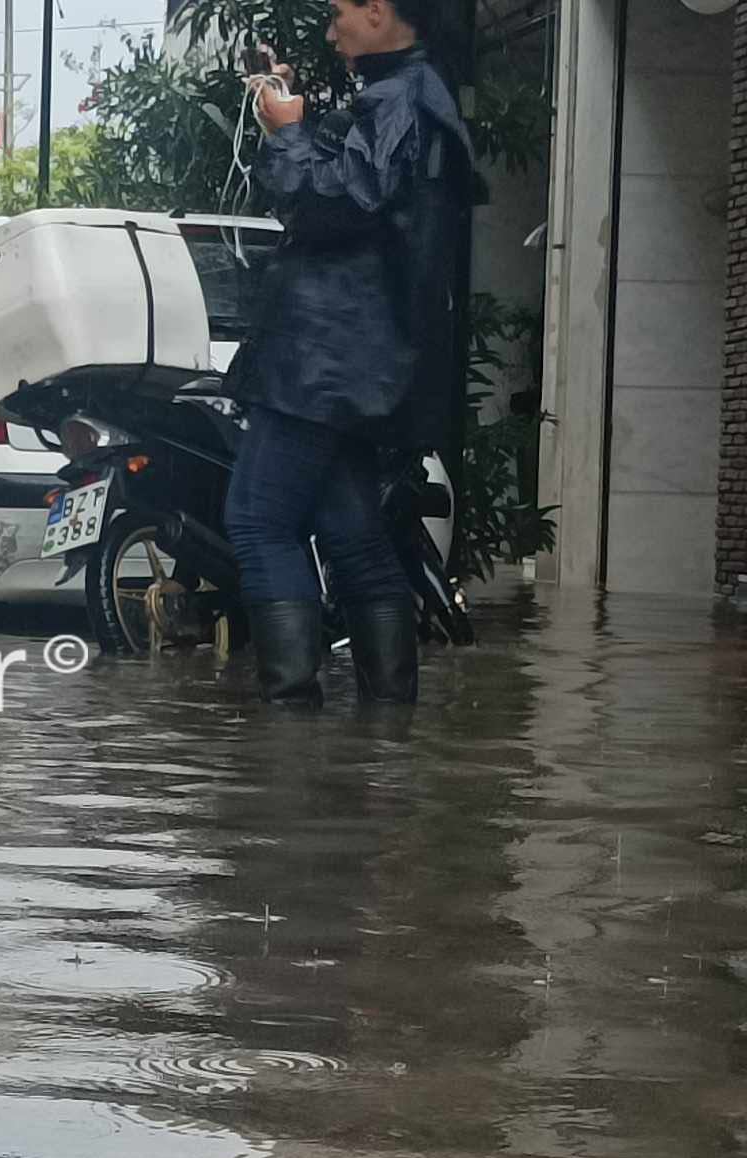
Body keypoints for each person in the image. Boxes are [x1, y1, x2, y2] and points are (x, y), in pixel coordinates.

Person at [224, 0, 472, 708]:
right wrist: (297, 122)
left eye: (340, 12)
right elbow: (361, 199)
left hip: (325, 361)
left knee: (259, 518)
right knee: (352, 533)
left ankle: (291, 727)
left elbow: (335, 204)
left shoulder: (404, 101)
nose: (332, 29)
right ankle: (382, 739)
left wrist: (291, 133)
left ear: (380, 10)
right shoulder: (409, 98)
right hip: (355, 361)